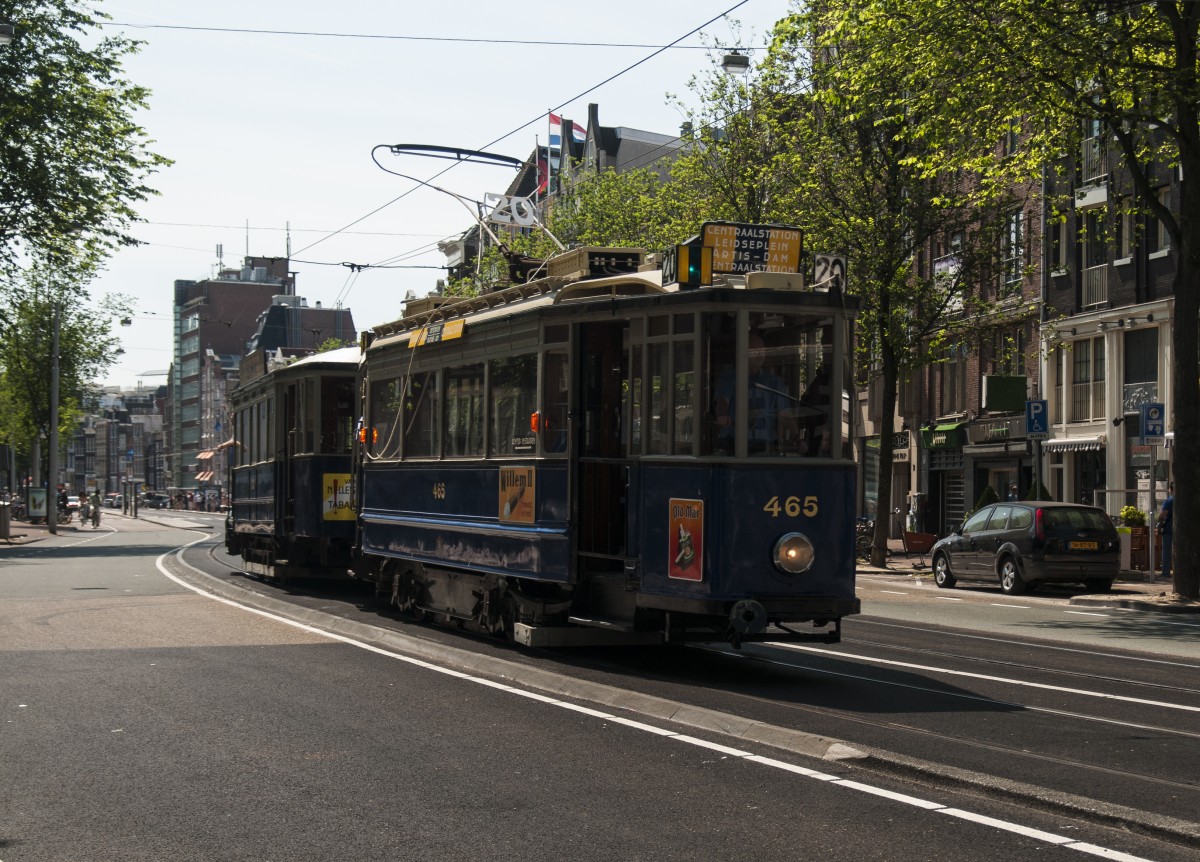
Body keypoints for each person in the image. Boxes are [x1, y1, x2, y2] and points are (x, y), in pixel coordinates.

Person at [714, 333, 800, 454]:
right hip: (733, 447)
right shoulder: (729, 379)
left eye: (762, 351)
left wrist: (796, 438)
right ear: (743, 352)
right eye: (754, 351)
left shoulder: (774, 382)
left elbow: (785, 414)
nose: (759, 355)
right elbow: (723, 401)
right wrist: (722, 416)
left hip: (766, 449)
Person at [1157, 482, 1174, 581]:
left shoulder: (1169, 501)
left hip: (1169, 529)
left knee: (1166, 551)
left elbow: (1162, 515)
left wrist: (1159, 523)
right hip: (1181, 531)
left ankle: (1165, 572)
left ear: (1170, 489)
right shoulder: (1185, 499)